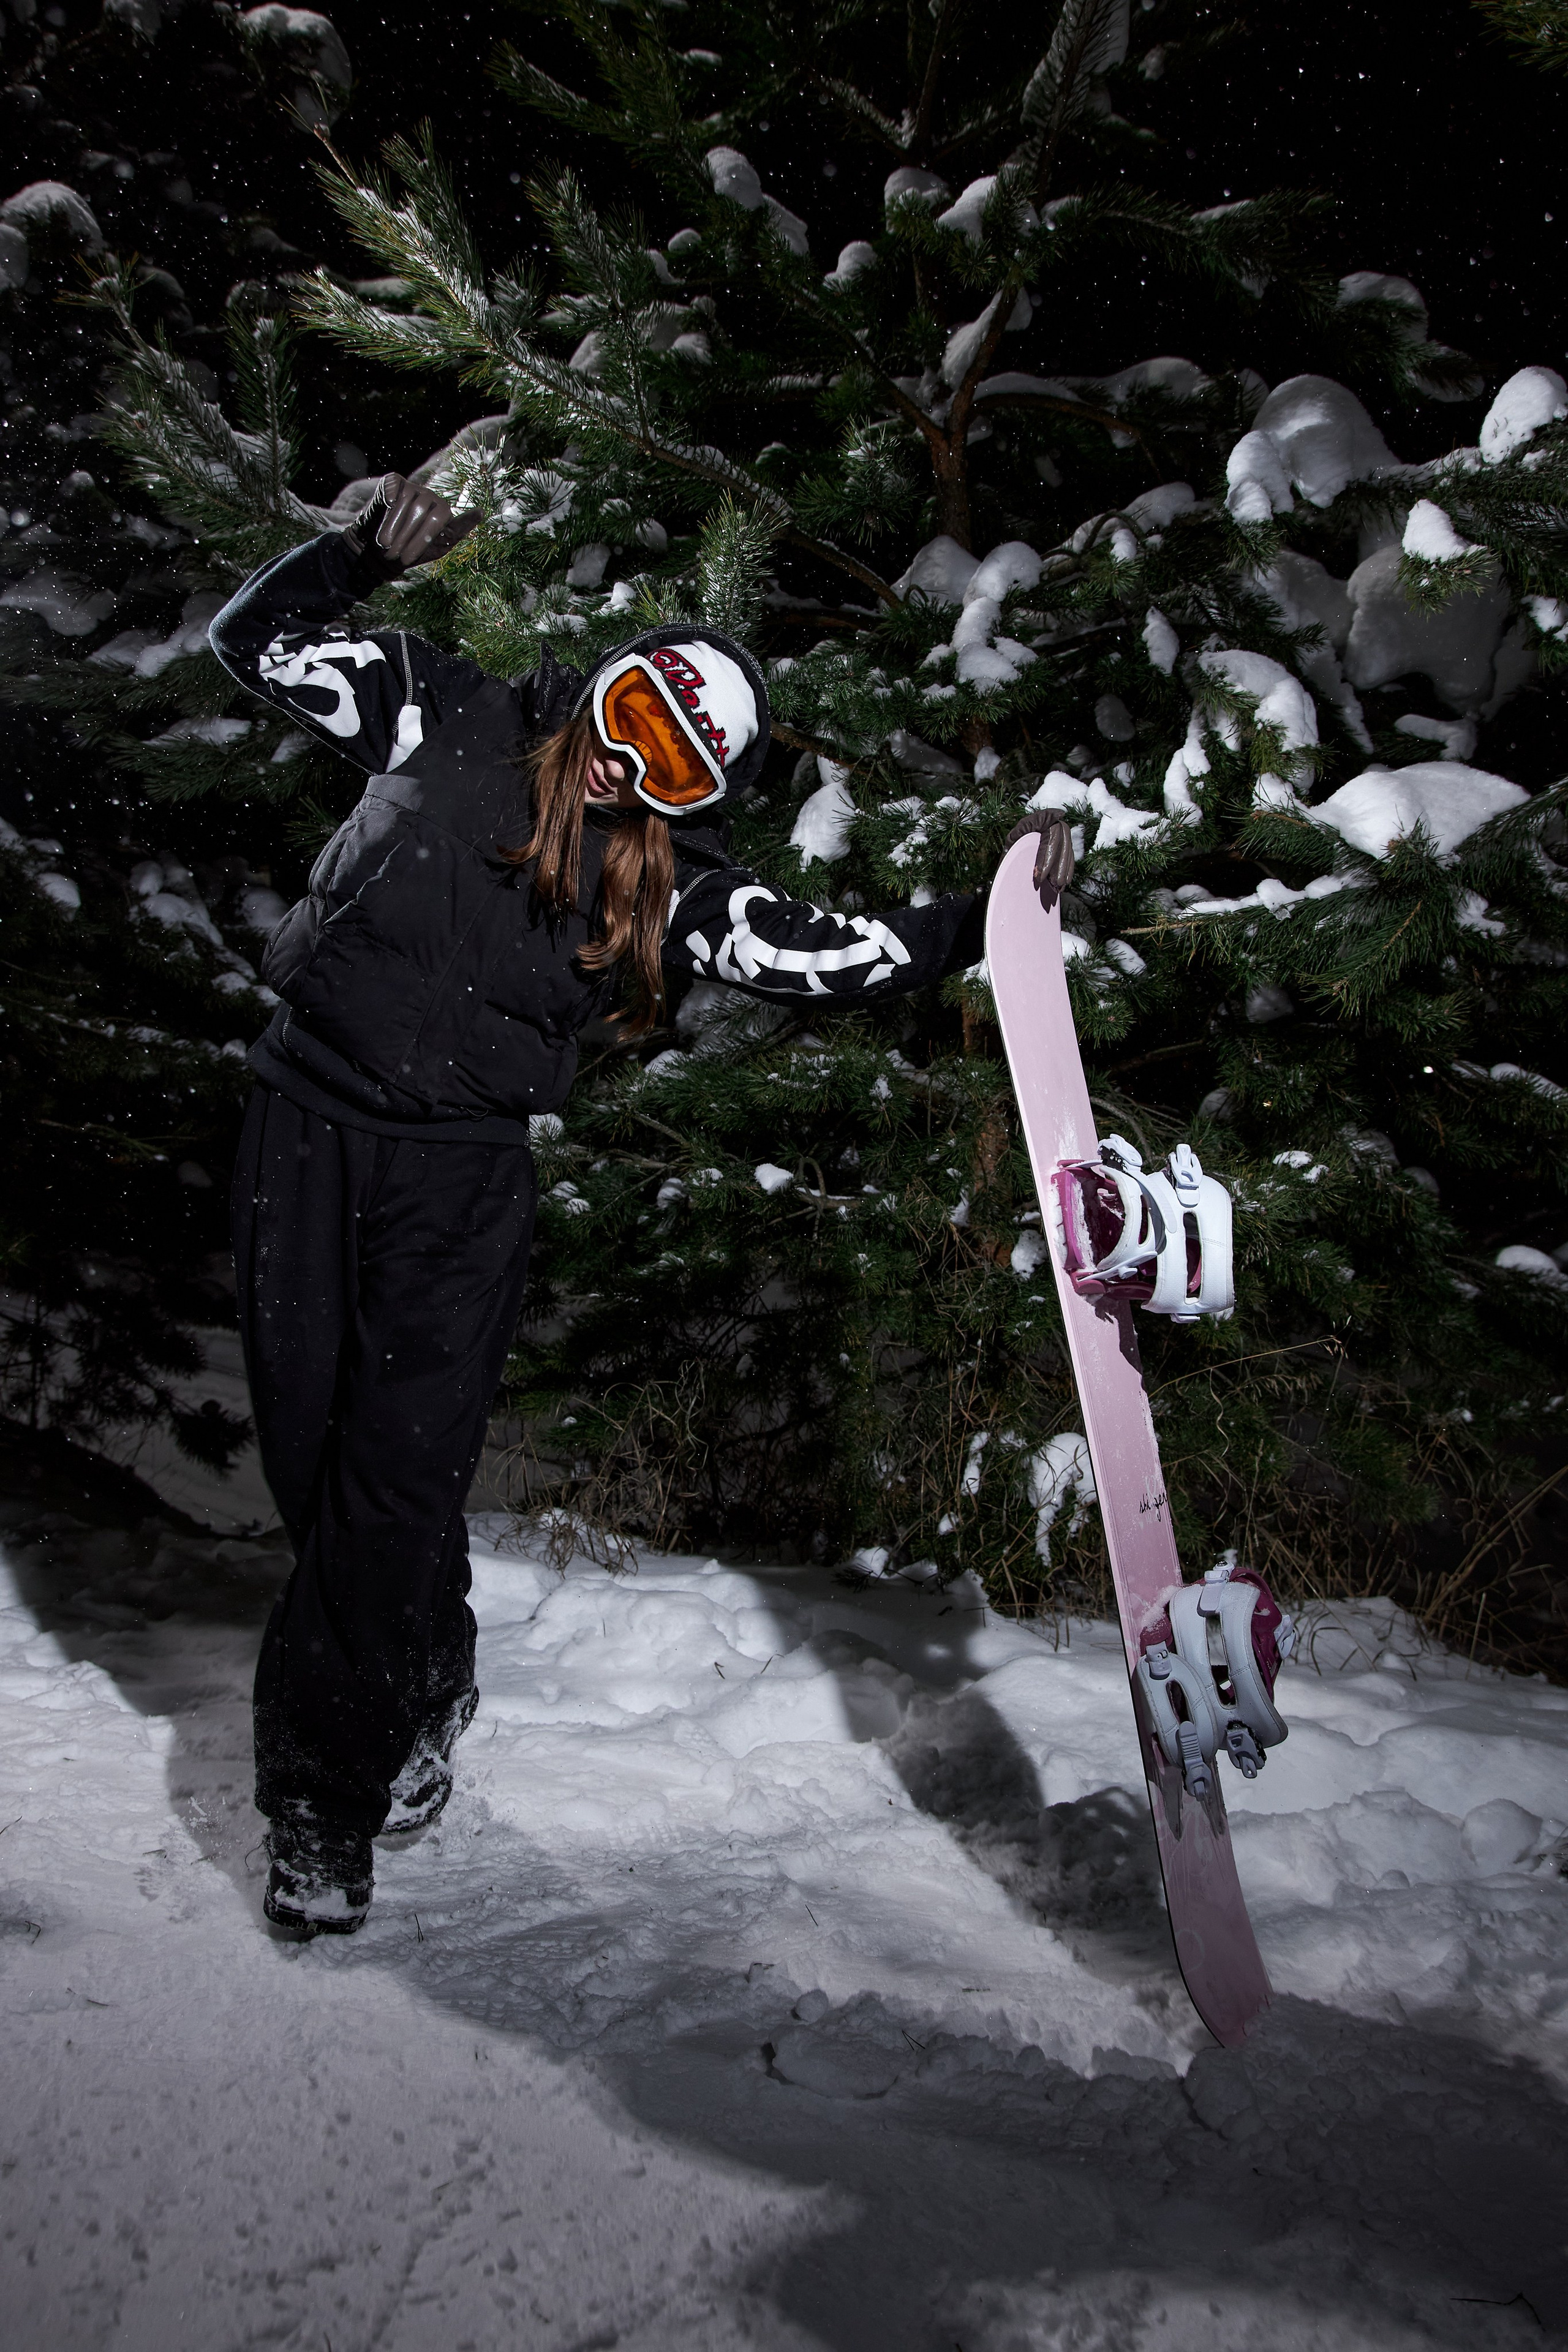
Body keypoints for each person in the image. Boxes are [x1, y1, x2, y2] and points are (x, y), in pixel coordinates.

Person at [210, 473, 1074, 1939]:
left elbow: (826, 952)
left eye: (672, 765)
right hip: (302, 1128)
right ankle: (423, 1672)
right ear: (598, 692)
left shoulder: (673, 886)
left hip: (459, 1187)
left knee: (393, 1486)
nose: (629, 768)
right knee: (315, 1469)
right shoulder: (439, 709)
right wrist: (356, 555)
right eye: (632, 720)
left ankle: (318, 1811)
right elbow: (258, 638)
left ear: (695, 796)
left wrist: (979, 913)